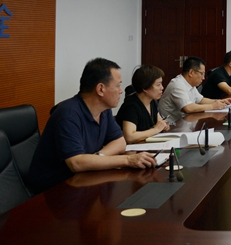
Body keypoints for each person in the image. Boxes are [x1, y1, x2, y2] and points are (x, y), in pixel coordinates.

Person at [27, 58, 157, 193]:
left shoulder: (104, 110)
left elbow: (120, 142)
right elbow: (76, 163)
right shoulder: (68, 115)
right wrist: (128, 160)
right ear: (100, 89)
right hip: (52, 192)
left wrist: (97, 157)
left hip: (83, 181)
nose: (121, 91)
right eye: (118, 86)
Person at [158, 56, 231, 122]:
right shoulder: (177, 85)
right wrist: (213, 106)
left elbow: (200, 100)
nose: (203, 78)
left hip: (186, 121)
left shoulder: (190, 84)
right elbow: (188, 108)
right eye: (202, 74)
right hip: (172, 126)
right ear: (191, 72)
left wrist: (220, 101)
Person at [115, 65, 170, 143]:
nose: (162, 88)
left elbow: (159, 121)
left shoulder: (152, 101)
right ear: (145, 88)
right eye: (158, 85)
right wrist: (156, 129)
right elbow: (129, 137)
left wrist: (164, 125)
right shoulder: (131, 106)